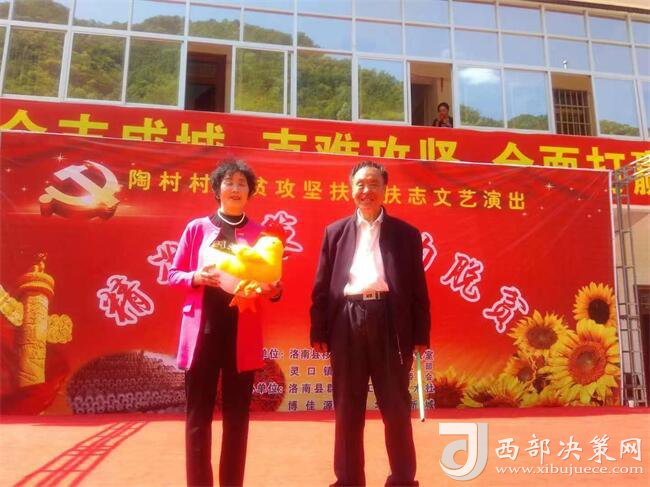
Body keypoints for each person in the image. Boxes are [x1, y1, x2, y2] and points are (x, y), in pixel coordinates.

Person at [310, 161, 431, 487]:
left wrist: (421, 333)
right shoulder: (335, 233)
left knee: (395, 407)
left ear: (385, 189)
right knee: (347, 407)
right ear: (351, 189)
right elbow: (322, 286)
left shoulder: (406, 234)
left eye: (373, 184)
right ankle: (348, 480)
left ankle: (402, 479)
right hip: (347, 321)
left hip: (390, 322)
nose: (367, 190)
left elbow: (418, 288)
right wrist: (318, 329)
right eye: (360, 184)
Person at [169, 159, 282, 487]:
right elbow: (173, 274)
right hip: (203, 333)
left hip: (240, 335)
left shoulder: (260, 234)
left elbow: (273, 282)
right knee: (198, 417)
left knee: (237, 419)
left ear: (250, 192)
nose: (235, 189)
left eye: (242, 184)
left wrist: (274, 289)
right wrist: (196, 276)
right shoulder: (197, 229)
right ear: (217, 190)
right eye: (229, 182)